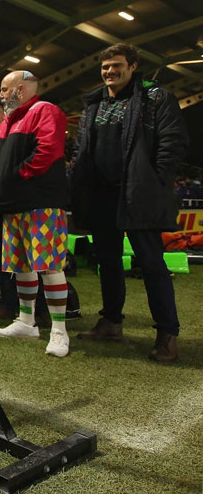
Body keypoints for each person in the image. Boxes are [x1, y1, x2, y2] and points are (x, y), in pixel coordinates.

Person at [70, 43, 188, 362]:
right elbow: (83, 148)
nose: (110, 71)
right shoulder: (94, 103)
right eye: (106, 67)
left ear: (133, 66)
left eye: (117, 65)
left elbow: (171, 142)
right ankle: (111, 322)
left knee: (151, 263)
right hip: (102, 196)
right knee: (107, 260)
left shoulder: (155, 97)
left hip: (138, 193)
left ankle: (167, 334)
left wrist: (155, 181)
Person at [0, 71, 70, 357]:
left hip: (41, 202)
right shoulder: (7, 121)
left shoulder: (44, 110)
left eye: (3, 88)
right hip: (13, 204)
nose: (0, 94)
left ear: (19, 89)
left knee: (49, 265)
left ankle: (59, 331)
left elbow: (48, 150)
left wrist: (17, 175)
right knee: (22, 265)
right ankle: (26, 321)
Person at [0, 98, 21, 321]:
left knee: (25, 259)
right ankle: (8, 303)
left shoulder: (13, 137)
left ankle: (39, 307)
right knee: (3, 257)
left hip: (16, 205)